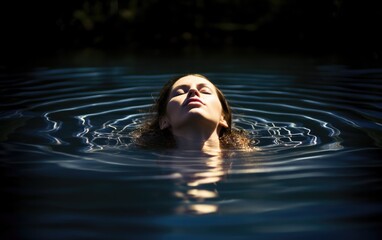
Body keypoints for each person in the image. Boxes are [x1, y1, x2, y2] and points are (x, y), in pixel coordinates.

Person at [131, 74, 254, 154]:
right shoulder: (142, 163)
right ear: (164, 121)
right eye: (179, 92)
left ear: (223, 118)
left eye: (205, 91)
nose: (193, 91)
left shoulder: (251, 164)